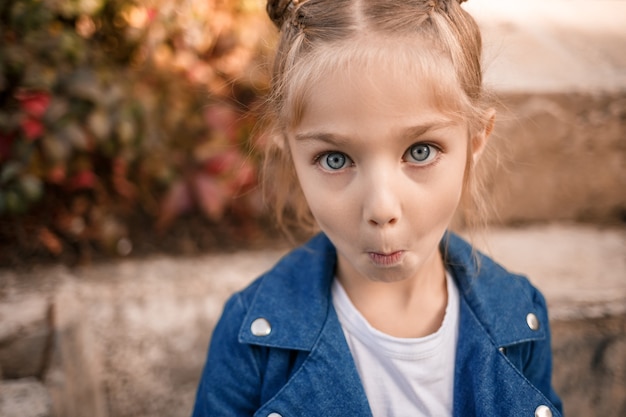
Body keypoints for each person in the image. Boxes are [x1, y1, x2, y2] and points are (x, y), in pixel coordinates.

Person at [192, 0, 563, 415]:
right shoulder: (250, 339)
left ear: (476, 141)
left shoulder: (520, 316)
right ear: (290, 155)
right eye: (335, 159)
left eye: (420, 151)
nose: (381, 208)